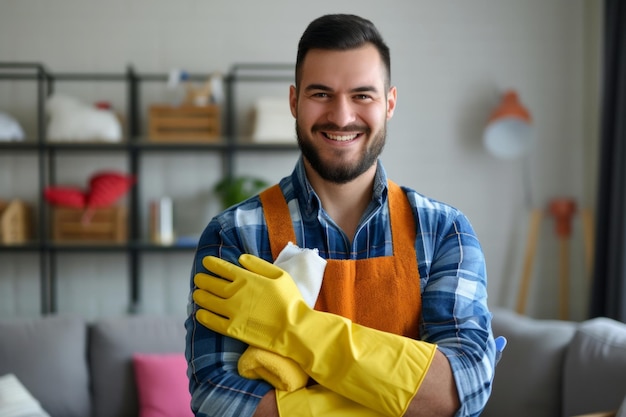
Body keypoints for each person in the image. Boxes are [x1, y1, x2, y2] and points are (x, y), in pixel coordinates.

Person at [185, 13, 497, 417]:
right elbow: (216, 401)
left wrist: (294, 327)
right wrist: (396, 401)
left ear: (389, 103)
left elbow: (457, 392)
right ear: (294, 101)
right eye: (321, 94)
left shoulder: (443, 232)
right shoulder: (234, 235)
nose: (342, 116)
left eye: (362, 95)